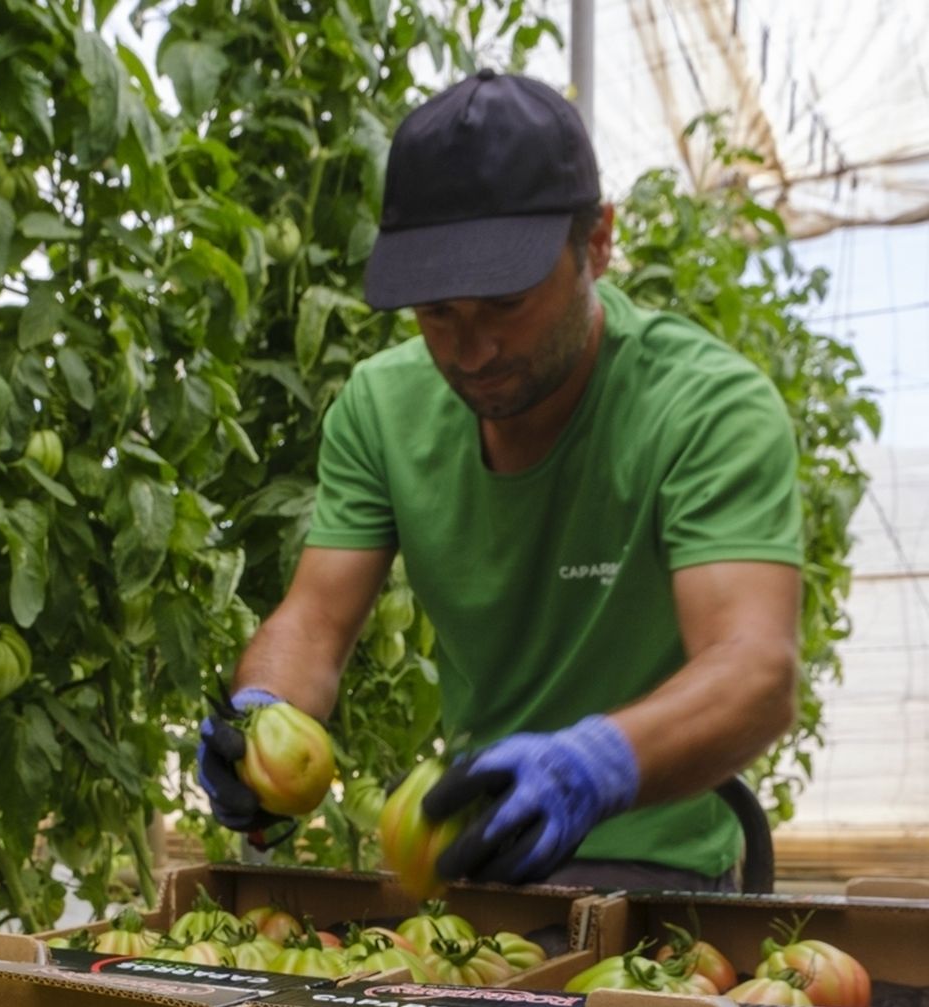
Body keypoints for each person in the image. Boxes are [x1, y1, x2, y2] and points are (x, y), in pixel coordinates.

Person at [197, 69, 803, 892]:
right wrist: (265, 715)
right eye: (437, 314)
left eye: (505, 305)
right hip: (475, 854)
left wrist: (594, 766)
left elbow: (755, 672)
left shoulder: (702, 407)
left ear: (596, 244)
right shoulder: (385, 408)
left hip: (657, 874)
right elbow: (315, 617)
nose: (469, 350)